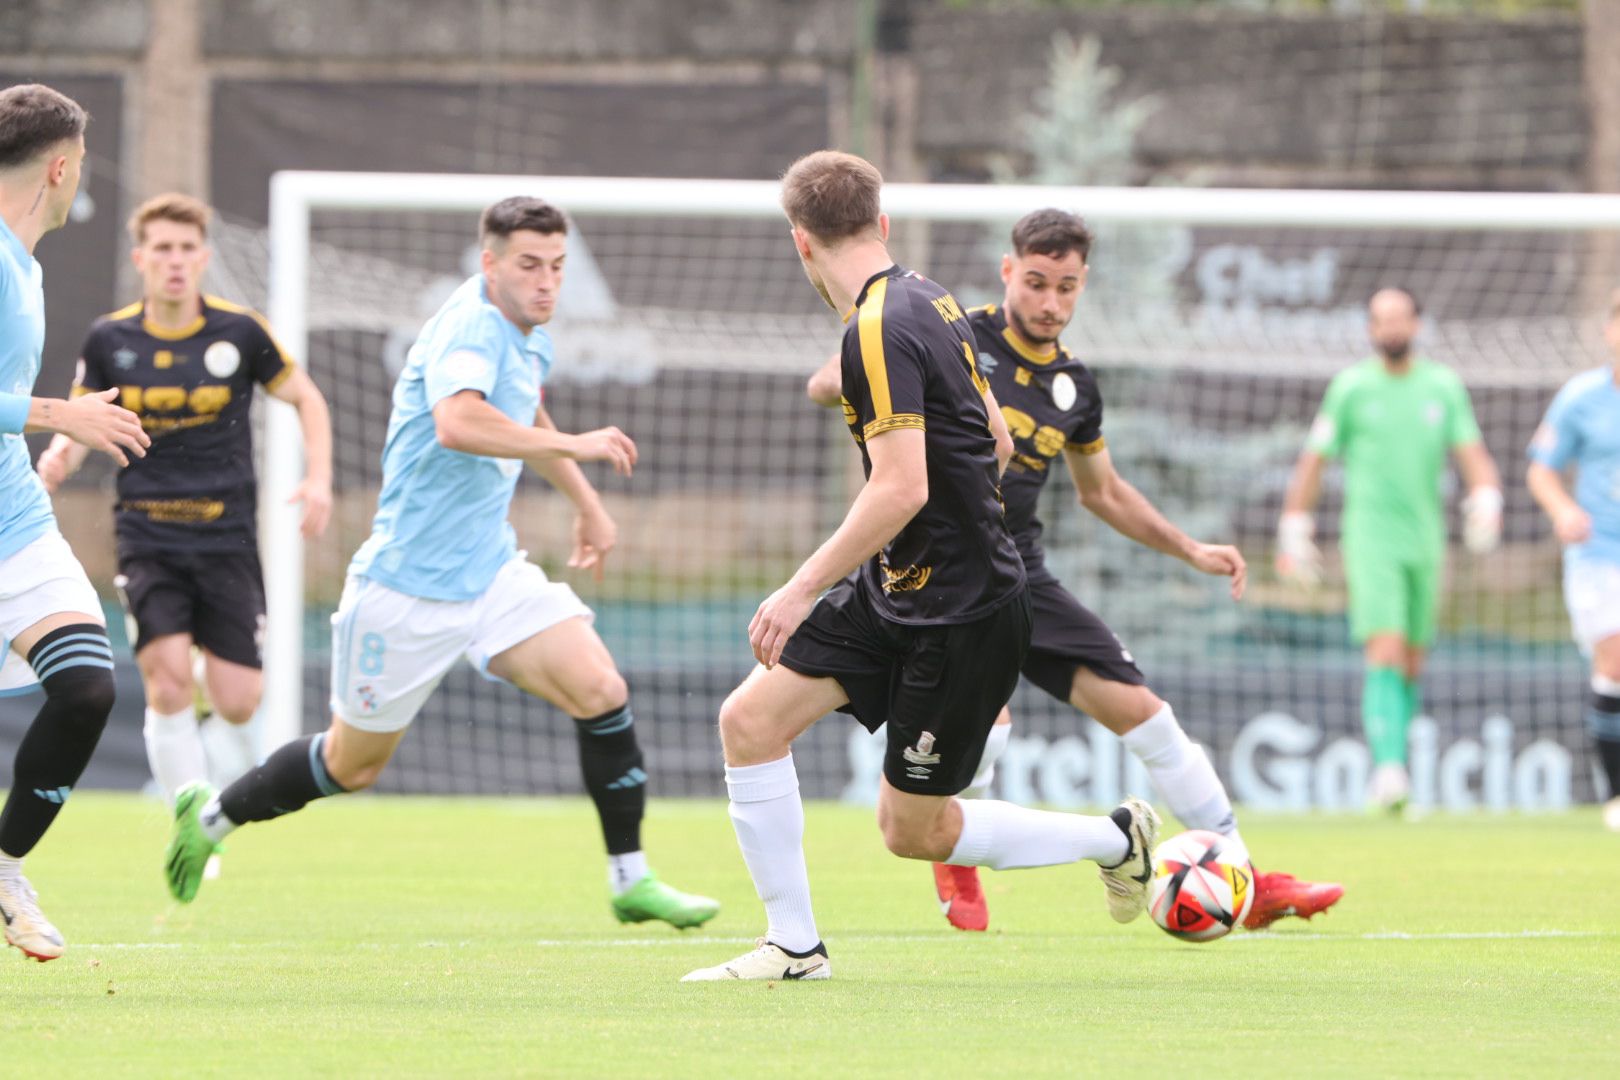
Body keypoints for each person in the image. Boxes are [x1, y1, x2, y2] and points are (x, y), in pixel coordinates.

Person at [161, 195, 719, 930]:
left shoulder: (528, 336)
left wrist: (585, 500)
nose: (547, 282)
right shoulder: (469, 325)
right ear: (490, 264)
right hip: (406, 590)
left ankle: (631, 880)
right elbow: (458, 422)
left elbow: (525, 410)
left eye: (557, 266)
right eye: (529, 266)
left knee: (601, 689)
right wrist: (577, 445)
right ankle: (211, 818)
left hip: (490, 573)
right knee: (350, 766)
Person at [683, 153, 1157, 984]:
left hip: (962, 613)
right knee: (749, 723)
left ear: (800, 242)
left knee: (914, 833)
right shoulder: (932, 298)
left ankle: (1115, 839)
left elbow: (903, 486)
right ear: (882, 223)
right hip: (899, 588)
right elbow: (998, 440)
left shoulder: (875, 327)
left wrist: (799, 588)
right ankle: (794, 948)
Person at [807, 208, 1342, 932]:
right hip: (945, 571)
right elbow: (837, 378)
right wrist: (849, 379)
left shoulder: (1074, 387)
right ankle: (953, 852)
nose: (1050, 303)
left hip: (1020, 572)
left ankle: (1245, 875)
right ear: (1007, 272)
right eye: (1035, 283)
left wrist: (1190, 549)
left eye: (1066, 287)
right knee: (988, 718)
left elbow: (1104, 493)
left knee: (1148, 717)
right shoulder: (953, 329)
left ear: (1083, 284)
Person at [37, 194, 333, 824]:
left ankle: (202, 703)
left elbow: (307, 398)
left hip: (228, 538)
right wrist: (61, 457)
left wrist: (320, 479)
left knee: (238, 702)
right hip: (148, 534)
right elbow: (83, 415)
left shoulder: (241, 332)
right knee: (167, 682)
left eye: (186, 249)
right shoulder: (111, 338)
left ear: (203, 257)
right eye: (163, 249)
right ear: (141, 259)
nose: (175, 261)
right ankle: (189, 821)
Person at [0, 83, 149, 961]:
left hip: (15, 522)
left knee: (88, 685)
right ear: (60, 169)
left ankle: (5, 868)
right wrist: (64, 415)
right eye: (83, 165)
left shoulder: (27, 265)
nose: (80, 180)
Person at [1278, 287, 1502, 811]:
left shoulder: (1442, 386)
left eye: (1400, 318)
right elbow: (1314, 460)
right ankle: (1389, 771)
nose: (1392, 328)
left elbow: (1473, 454)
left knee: (1413, 660)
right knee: (1385, 648)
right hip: (1370, 536)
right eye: (1382, 319)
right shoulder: (1352, 387)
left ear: (1417, 324)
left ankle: (1395, 763)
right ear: (1371, 329)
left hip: (1425, 539)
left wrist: (1487, 497)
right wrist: (1294, 522)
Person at [1526, 289, 1620, 832]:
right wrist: (1563, 509)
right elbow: (1541, 468)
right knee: (1615, 660)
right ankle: (1617, 793)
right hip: (1599, 554)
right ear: (1609, 331)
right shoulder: (1580, 397)